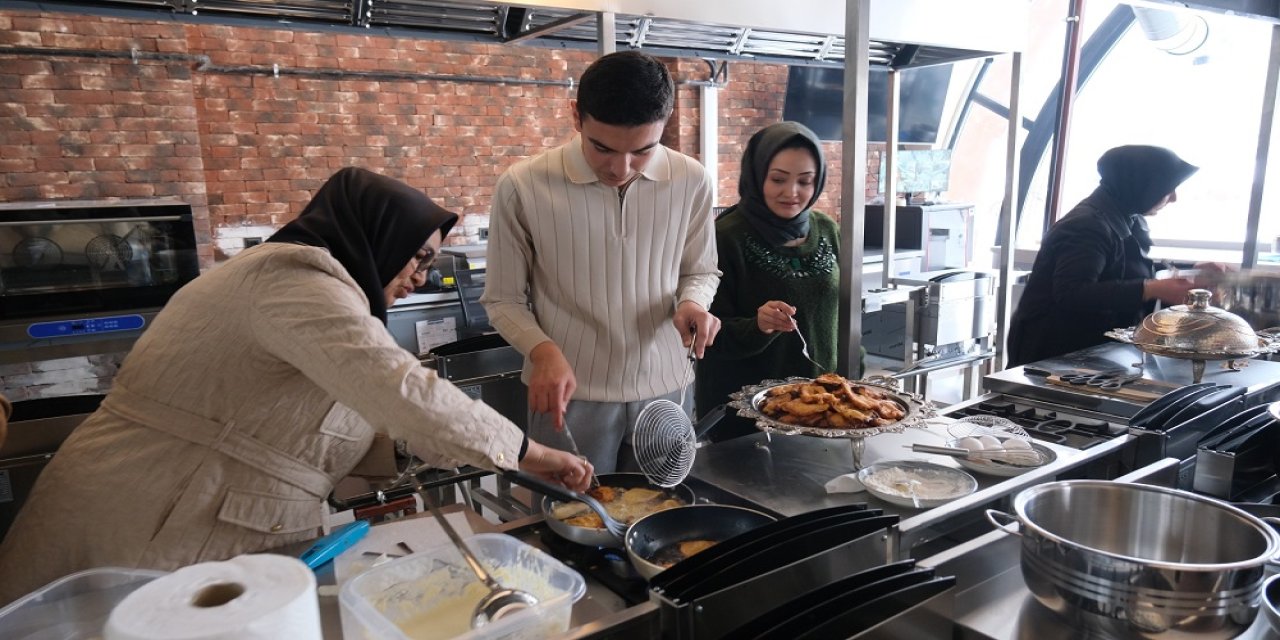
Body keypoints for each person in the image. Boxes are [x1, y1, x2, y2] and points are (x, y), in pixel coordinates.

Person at [0, 167, 592, 604]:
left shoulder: (313, 289)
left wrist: (411, 451)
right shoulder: (294, 281)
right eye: (414, 257)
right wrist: (529, 454)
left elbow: (305, 423)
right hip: (144, 514)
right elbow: (402, 392)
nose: (419, 276)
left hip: (181, 509)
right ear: (371, 235)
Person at [481, 51, 722, 473]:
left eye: (643, 151)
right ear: (576, 116)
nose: (620, 168)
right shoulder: (523, 186)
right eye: (602, 148)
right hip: (569, 393)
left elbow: (699, 270)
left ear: (664, 125)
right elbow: (502, 299)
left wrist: (692, 303)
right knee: (570, 523)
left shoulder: (692, 180)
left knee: (665, 518)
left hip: (667, 389)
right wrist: (542, 352)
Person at [696, 121, 858, 421]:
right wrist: (758, 325)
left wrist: (855, 384)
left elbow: (843, 313)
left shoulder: (827, 230)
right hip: (746, 414)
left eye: (805, 181)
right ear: (757, 176)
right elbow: (705, 335)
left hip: (824, 407)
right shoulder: (725, 237)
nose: (791, 192)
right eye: (778, 179)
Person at [1008, 145, 1213, 366]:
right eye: (1167, 188)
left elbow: (1127, 266)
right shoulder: (1086, 226)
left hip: (1087, 350)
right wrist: (1149, 289)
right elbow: (1071, 293)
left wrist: (1192, 270)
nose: (1173, 198)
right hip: (1053, 352)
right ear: (1141, 186)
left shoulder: (1126, 216)